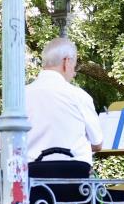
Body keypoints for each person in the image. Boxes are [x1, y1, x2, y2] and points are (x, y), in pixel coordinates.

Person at [25, 37, 102, 165]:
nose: (74, 73)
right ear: (67, 62)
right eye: (74, 66)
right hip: (73, 174)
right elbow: (97, 144)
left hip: (31, 173)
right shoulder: (79, 96)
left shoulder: (22, 95)